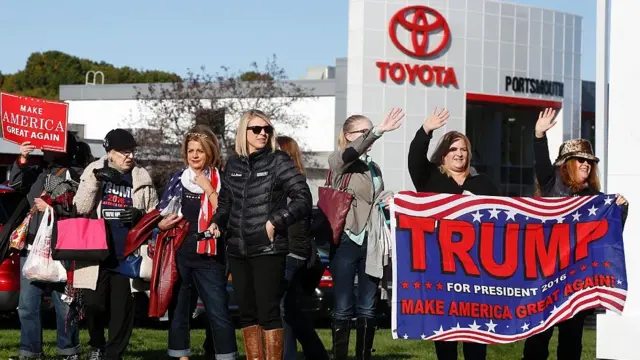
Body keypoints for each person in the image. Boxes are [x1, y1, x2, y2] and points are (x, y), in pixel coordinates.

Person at [521, 108, 629, 360]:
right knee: (538, 340)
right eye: (580, 159)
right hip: (545, 276)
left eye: (589, 161)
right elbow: (540, 161)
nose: (586, 164)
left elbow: (607, 238)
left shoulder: (596, 200)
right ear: (566, 164)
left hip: (576, 279)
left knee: (571, 344)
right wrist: (538, 135)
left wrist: (620, 210)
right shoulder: (550, 183)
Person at [208, 109, 312, 360]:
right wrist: (216, 222)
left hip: (269, 248)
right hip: (238, 248)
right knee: (246, 313)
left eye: (267, 129)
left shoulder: (279, 161)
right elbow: (225, 204)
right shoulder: (232, 164)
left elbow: (303, 198)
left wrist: (275, 222)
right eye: (256, 129)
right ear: (244, 132)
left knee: (268, 312)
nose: (263, 133)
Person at [407, 107, 499, 360]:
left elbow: (507, 215)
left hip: (477, 267)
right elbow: (415, 158)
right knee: (445, 328)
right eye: (453, 149)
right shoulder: (430, 180)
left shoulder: (485, 184)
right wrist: (426, 130)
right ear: (443, 154)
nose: (459, 154)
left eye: (463, 149)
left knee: (474, 329)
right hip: (441, 266)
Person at [73, 129, 159, 360]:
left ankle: (113, 355)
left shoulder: (141, 176)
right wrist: (95, 181)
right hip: (96, 254)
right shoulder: (94, 170)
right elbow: (80, 207)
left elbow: (155, 213)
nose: (129, 156)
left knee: (122, 312)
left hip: (127, 255)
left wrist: (140, 214)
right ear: (110, 152)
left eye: (132, 151)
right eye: (123, 152)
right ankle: (97, 345)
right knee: (93, 305)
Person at [328, 109, 405, 360]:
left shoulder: (374, 168)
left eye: (369, 130)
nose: (368, 136)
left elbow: (371, 200)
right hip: (347, 239)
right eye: (364, 132)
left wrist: (387, 198)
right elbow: (348, 156)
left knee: (368, 306)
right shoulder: (340, 161)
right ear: (348, 135)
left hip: (372, 241)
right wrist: (378, 132)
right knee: (342, 307)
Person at [156, 125, 237, 360]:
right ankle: (181, 356)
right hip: (180, 253)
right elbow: (162, 213)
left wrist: (208, 188)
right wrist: (161, 224)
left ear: (209, 152)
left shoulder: (221, 179)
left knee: (218, 311)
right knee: (179, 310)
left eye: (199, 150)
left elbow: (226, 213)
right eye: (190, 150)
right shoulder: (176, 180)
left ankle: (225, 356)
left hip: (210, 256)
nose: (194, 155)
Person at [8, 133, 81, 360]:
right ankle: (30, 352)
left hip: (61, 247)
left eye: (52, 145)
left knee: (64, 305)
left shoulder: (73, 173)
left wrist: (50, 206)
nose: (45, 149)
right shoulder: (38, 171)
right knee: (28, 306)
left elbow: (76, 207)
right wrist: (22, 158)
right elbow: (15, 183)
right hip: (32, 248)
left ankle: (68, 351)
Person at [276, 135, 329, 360]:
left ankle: (288, 356)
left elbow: (296, 228)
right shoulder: (295, 181)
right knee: (292, 311)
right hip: (295, 254)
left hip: (289, 254)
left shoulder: (292, 185)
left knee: (282, 310)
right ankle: (317, 355)